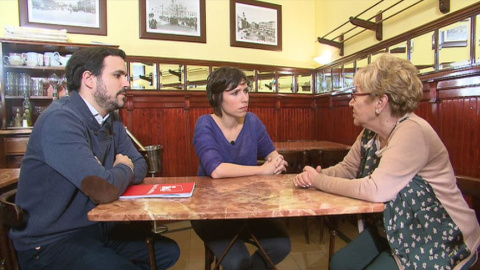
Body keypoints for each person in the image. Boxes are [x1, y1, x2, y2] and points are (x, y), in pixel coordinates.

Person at [294, 54, 480, 270]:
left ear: (380, 102)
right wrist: (317, 176)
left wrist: (319, 181)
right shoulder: (369, 133)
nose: (351, 101)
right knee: (340, 264)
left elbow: (375, 190)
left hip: (438, 236)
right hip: (396, 227)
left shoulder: (412, 131)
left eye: (356, 94)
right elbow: (347, 168)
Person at [10, 47, 180, 270]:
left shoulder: (111, 118)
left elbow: (140, 164)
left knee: (167, 252)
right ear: (89, 79)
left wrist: (115, 172)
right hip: (51, 242)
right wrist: (121, 168)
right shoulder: (60, 120)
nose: (126, 83)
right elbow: (104, 189)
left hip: (93, 228)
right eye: (118, 75)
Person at [191, 67, 291, 270]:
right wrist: (263, 170)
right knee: (238, 262)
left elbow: (273, 154)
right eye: (235, 92)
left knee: (282, 245)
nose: (244, 98)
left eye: (246, 91)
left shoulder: (252, 121)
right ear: (217, 97)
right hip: (212, 213)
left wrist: (278, 161)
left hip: (248, 208)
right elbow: (217, 170)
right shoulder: (205, 124)